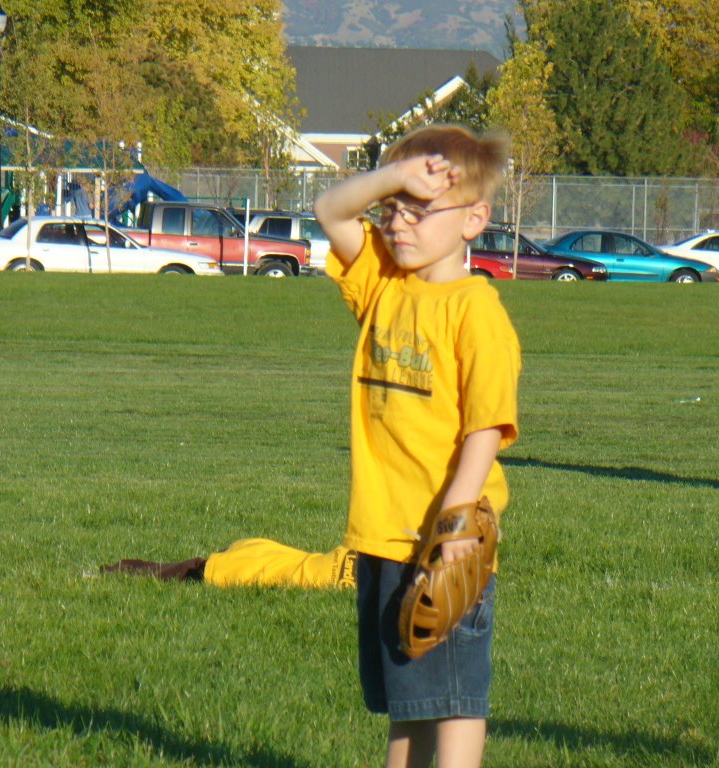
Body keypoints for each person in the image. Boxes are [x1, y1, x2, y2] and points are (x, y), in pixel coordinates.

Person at [313, 124, 521, 768]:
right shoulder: (383, 284)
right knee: (409, 702)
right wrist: (396, 178)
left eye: (420, 210)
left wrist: (456, 522)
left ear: (474, 220)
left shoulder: (476, 312)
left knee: (454, 697)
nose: (399, 222)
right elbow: (330, 209)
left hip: (442, 540)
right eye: (394, 208)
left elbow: (484, 428)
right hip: (380, 533)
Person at [101, 539, 357, 589]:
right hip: (254, 562)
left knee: (183, 569)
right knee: (181, 572)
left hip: (260, 554)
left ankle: (116, 570)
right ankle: (112, 572)